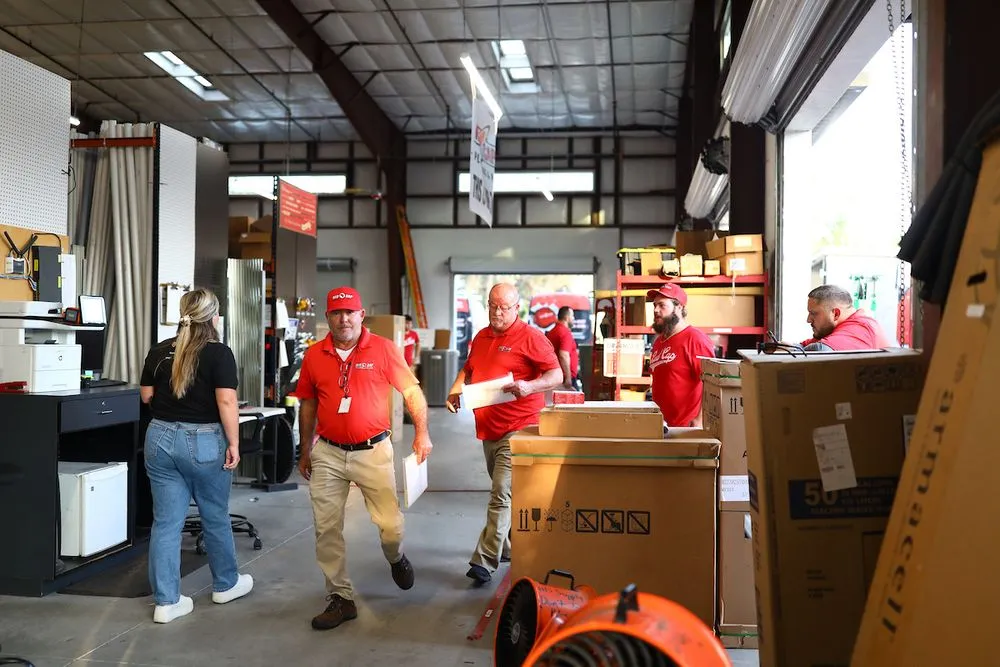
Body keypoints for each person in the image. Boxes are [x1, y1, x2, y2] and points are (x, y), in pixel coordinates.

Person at [296, 286, 433, 631]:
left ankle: (395, 557)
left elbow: (411, 391)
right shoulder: (314, 355)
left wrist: (422, 432)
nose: (343, 319)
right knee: (326, 527)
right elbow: (308, 403)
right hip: (328, 452)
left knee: (390, 525)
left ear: (361, 315)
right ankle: (340, 598)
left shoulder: (383, 349)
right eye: (336, 313)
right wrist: (305, 449)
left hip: (373, 450)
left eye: (349, 312)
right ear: (328, 317)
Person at [139, 288, 254, 624]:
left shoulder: (160, 350)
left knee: (166, 523)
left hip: (159, 438)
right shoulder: (219, 353)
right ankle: (226, 584)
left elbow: (146, 396)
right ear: (214, 317)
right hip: (203, 440)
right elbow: (227, 402)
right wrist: (234, 443)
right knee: (214, 515)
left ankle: (166, 602)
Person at [446, 283, 563, 585]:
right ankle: (510, 546)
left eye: (504, 307)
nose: (497, 312)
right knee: (506, 494)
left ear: (516, 308)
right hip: (489, 430)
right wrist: (456, 389)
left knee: (501, 492)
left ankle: (484, 561)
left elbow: (556, 374)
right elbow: (469, 369)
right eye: (493, 305)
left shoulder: (531, 337)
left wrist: (530, 386)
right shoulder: (481, 337)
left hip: (520, 427)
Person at [646, 284, 716, 427]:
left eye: (662, 305)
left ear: (679, 307)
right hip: (662, 426)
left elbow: (712, 383)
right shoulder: (659, 341)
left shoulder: (695, 339)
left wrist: (700, 419)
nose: (656, 310)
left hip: (686, 427)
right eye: (654, 305)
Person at [801, 284, 893, 351]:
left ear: (836, 314)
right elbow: (801, 346)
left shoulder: (861, 328)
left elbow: (821, 350)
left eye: (813, 313)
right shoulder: (833, 330)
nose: (808, 320)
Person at [546, 306, 581, 391]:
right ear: (566, 317)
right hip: (565, 379)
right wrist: (568, 377)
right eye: (572, 316)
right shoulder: (565, 332)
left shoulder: (552, 332)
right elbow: (563, 355)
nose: (573, 318)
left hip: (555, 375)